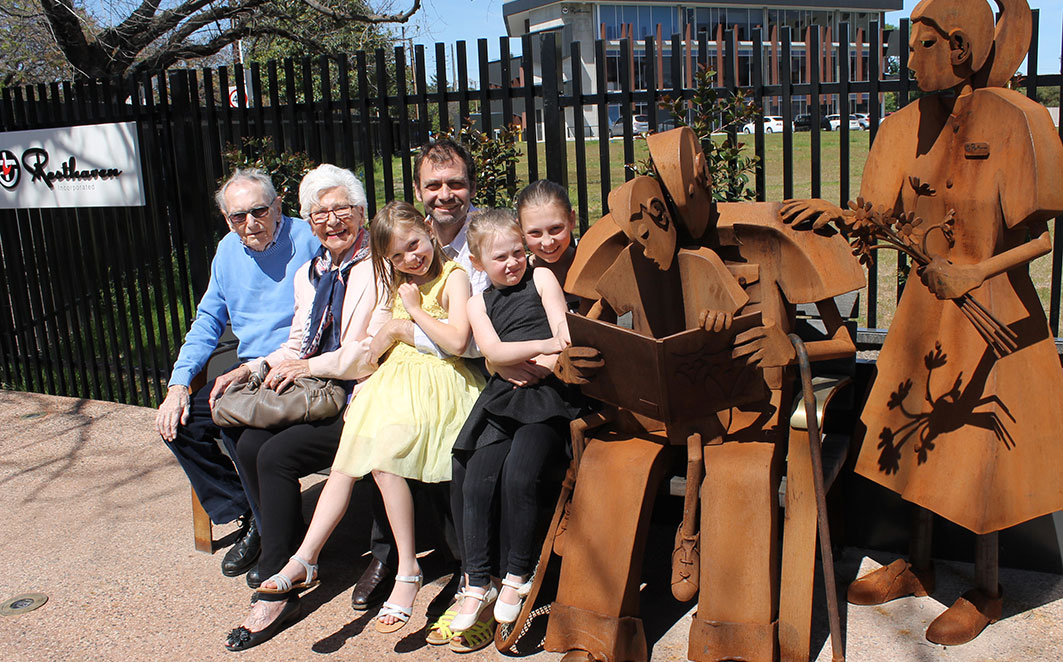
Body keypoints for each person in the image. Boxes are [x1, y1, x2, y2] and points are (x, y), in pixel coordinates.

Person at [782, 0, 1063, 646]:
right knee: (916, 441)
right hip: (924, 310)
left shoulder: (1012, 118)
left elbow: (1042, 240)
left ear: (961, 49)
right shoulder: (902, 126)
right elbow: (875, 218)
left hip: (990, 314)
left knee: (979, 454)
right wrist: (832, 215)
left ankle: (987, 589)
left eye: (923, 45)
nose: (907, 60)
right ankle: (916, 563)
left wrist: (976, 270)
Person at [247, 201, 484, 639]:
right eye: (397, 255)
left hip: (439, 388)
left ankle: (408, 569)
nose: (411, 258)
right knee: (344, 465)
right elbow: (375, 348)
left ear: (428, 232)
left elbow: (456, 340)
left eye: (414, 245)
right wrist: (381, 343)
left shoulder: (454, 276)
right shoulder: (399, 281)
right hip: (391, 386)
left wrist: (409, 314)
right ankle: (305, 557)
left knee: (382, 460)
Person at [221, 165, 386, 651]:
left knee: (274, 455)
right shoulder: (310, 272)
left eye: (341, 209)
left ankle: (281, 583)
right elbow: (296, 342)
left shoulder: (379, 267)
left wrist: (310, 368)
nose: (331, 220)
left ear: (361, 212)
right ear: (309, 222)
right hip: (320, 394)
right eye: (319, 213)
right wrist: (252, 368)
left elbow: (369, 351)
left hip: (360, 396)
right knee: (250, 442)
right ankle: (288, 551)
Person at [154, 168, 319, 578]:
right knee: (181, 424)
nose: (250, 223)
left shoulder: (309, 239)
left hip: (298, 365)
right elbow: (208, 319)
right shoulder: (228, 250)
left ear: (278, 205)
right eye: (237, 217)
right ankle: (250, 514)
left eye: (259, 211)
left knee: (237, 427)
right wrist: (178, 383)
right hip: (246, 375)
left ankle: (273, 533)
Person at [351, 137, 489, 617]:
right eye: (433, 185)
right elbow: (382, 316)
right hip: (415, 375)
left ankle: (466, 567)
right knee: (381, 429)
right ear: (418, 190)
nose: (445, 193)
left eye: (455, 183)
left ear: (471, 185)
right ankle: (389, 556)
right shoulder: (410, 240)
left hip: (471, 370)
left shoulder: (483, 243)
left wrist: (403, 330)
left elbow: (470, 343)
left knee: (441, 437)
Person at [446, 210, 584, 653]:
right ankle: (476, 581)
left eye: (517, 253)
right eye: (500, 257)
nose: (512, 263)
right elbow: (493, 349)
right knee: (476, 477)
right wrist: (531, 350)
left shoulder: (542, 278)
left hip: (546, 394)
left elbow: (563, 331)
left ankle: (516, 576)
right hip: (503, 399)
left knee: (520, 476)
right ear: (478, 262)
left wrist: (543, 360)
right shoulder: (477, 303)